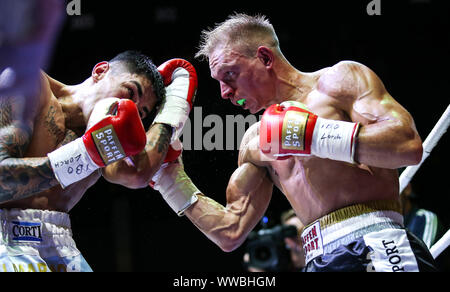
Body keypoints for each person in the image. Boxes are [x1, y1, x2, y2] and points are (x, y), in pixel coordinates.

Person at [150, 13, 438, 272]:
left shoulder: (339, 82)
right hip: (317, 261)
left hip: (375, 243)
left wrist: (312, 135)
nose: (225, 92)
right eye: (219, 81)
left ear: (264, 58)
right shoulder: (254, 142)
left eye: (230, 74)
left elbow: (408, 146)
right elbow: (230, 231)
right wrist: (170, 180)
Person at [0, 50, 196, 272]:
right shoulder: (28, 84)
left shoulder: (108, 137)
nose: (128, 107)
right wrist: (83, 155)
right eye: (130, 92)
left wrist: (173, 108)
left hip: (59, 243)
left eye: (140, 113)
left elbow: (138, 173)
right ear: (101, 71)